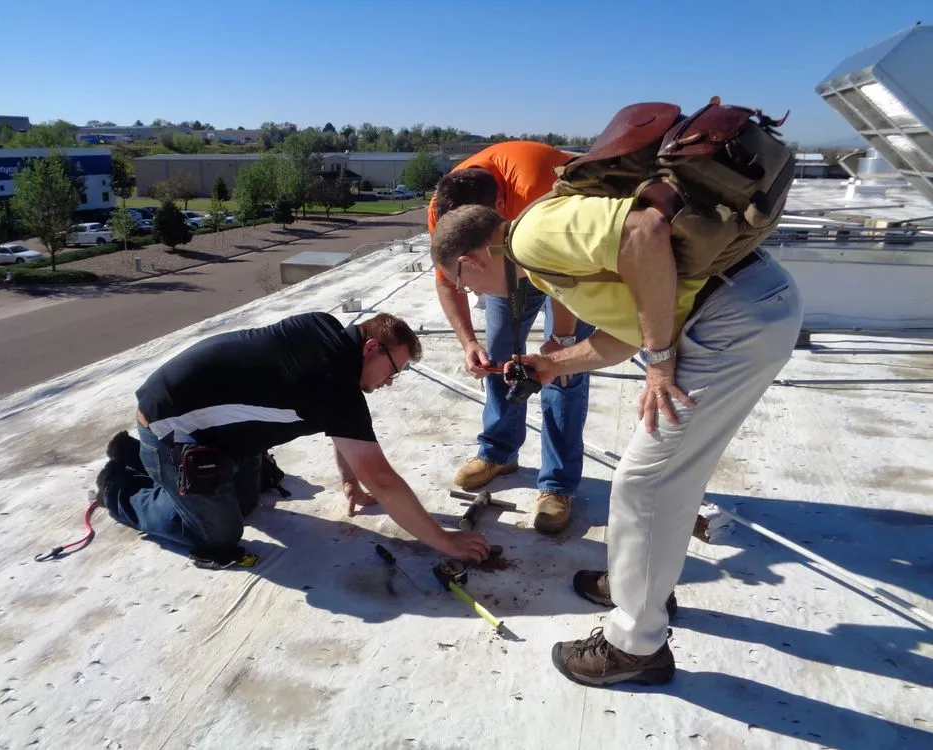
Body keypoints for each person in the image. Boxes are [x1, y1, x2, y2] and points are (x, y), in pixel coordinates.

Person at [430, 198, 803, 686]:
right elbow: (633, 331)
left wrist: (661, 360)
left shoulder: (532, 237)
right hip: (745, 309)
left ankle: (635, 646)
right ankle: (640, 587)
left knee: (643, 484)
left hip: (731, 318)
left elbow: (645, 230)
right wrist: (552, 364)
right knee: (669, 480)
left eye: (463, 284)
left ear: (471, 260)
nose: (473, 294)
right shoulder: (538, 264)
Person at [97, 311, 491, 567]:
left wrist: (349, 482)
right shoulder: (335, 384)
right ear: (372, 347)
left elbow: (340, 426)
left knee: (245, 503)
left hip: (216, 434)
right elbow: (383, 480)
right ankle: (119, 487)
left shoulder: (325, 329)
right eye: (393, 370)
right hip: (170, 429)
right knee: (218, 535)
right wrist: (444, 541)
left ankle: (136, 456)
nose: (389, 382)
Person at [428, 141, 595, 534]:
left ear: (501, 205)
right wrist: (469, 342)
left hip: (571, 261)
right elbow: (448, 281)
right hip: (506, 259)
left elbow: (568, 273)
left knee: (562, 372)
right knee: (500, 352)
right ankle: (499, 453)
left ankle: (557, 485)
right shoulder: (441, 211)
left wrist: (561, 344)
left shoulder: (540, 191)